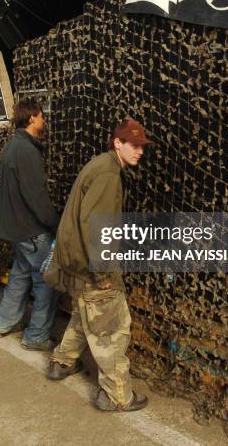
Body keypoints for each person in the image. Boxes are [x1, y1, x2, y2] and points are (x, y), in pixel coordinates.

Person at [45, 118, 153, 412]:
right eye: (134, 145)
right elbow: (98, 228)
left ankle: (61, 361)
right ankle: (116, 395)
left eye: (142, 146)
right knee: (112, 326)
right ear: (117, 143)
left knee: (85, 314)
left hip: (75, 262)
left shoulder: (101, 165)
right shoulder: (108, 174)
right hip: (92, 266)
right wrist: (104, 272)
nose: (140, 151)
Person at [0, 99, 59, 351]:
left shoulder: (12, 146)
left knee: (19, 275)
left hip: (14, 230)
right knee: (46, 282)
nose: (44, 120)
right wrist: (54, 223)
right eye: (41, 116)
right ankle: (36, 336)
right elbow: (36, 195)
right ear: (31, 118)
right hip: (30, 231)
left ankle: (3, 324)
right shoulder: (27, 151)